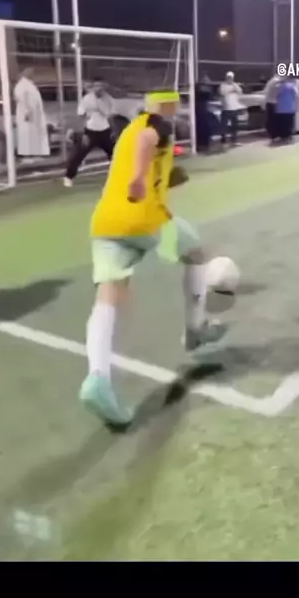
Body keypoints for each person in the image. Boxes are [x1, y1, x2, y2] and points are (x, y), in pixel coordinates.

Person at [79, 89, 227, 427]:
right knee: (196, 254)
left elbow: (147, 164)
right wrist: (138, 179)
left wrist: (167, 177)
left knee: (108, 295)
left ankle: (97, 378)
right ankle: (195, 328)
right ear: (166, 106)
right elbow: (147, 144)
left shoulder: (126, 134)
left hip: (105, 222)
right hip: (144, 220)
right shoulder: (156, 124)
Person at [64, 78, 114, 188]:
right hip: (90, 131)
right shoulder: (87, 99)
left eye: (101, 86)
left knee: (115, 154)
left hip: (105, 131)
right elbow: (80, 115)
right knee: (79, 154)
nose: (98, 88)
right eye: (96, 86)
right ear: (93, 87)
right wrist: (83, 132)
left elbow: (107, 113)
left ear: (104, 87)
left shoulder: (107, 99)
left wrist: (98, 104)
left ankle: (119, 175)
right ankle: (68, 177)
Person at [13, 68, 50, 161]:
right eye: (30, 72)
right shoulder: (22, 85)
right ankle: (27, 156)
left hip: (34, 114)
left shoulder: (29, 84)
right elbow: (22, 99)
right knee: (27, 136)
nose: (32, 74)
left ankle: (35, 154)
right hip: (28, 115)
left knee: (34, 135)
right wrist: (27, 111)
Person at [219, 71, 243, 146]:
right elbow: (222, 93)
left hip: (234, 108)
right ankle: (223, 141)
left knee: (234, 126)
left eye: (231, 77)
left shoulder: (235, 85)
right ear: (226, 77)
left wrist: (234, 87)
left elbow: (240, 92)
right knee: (224, 126)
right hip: (226, 109)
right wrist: (231, 90)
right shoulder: (223, 85)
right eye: (228, 77)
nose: (230, 79)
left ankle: (234, 141)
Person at [275, 75, 299, 144]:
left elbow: (275, 96)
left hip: (280, 108)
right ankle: (288, 136)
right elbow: (296, 96)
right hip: (290, 108)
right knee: (289, 123)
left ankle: (282, 136)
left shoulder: (278, 87)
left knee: (282, 123)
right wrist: (297, 106)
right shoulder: (292, 87)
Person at [195, 75, 214, 152]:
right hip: (201, 110)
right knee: (202, 127)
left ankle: (203, 144)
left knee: (203, 127)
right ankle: (202, 144)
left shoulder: (203, 89)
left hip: (202, 110)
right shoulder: (202, 89)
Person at [263, 74, 280, 144]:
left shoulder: (271, 81)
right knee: (274, 120)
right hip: (274, 102)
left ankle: (271, 134)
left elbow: (265, 92)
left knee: (270, 119)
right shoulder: (276, 81)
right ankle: (274, 135)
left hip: (269, 102)